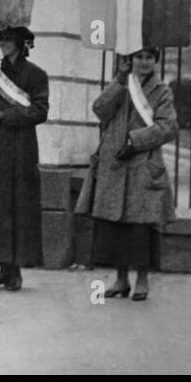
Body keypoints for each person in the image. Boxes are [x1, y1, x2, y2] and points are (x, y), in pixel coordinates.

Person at [76, 47, 177, 302]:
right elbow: (100, 110)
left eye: (148, 58)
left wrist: (135, 141)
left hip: (143, 164)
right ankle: (121, 279)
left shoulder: (161, 91)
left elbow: (168, 127)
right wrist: (120, 81)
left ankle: (142, 280)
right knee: (115, 226)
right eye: (138, 58)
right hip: (114, 164)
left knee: (141, 227)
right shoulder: (122, 84)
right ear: (130, 60)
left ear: (155, 61)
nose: (143, 62)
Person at [0, 25, 50, 291]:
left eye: (7, 39)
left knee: (18, 206)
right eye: (1, 39)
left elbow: (40, 111)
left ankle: (15, 269)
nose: (2, 43)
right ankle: (3, 268)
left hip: (21, 147)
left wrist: (7, 117)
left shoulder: (36, 75)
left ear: (19, 42)